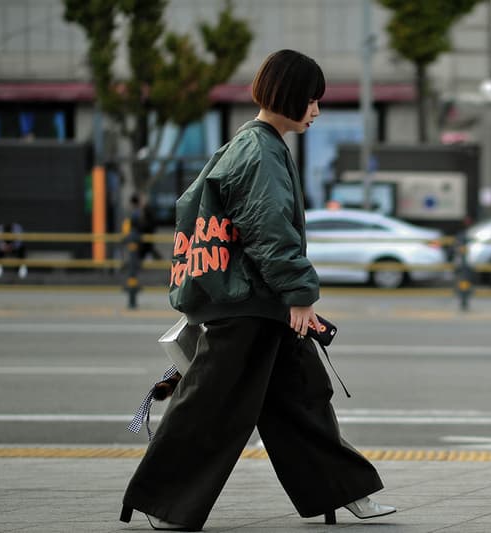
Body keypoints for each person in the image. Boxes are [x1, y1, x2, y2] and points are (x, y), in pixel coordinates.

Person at [120, 49, 395, 531]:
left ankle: (345, 493)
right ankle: (162, 502)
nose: (316, 111)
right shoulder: (261, 149)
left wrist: (290, 296)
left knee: (302, 398)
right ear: (290, 95)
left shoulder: (255, 144)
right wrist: (300, 293)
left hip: (259, 303)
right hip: (249, 306)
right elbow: (268, 230)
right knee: (212, 407)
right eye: (312, 99)